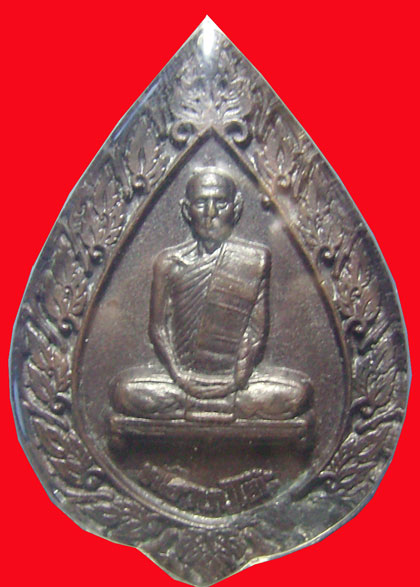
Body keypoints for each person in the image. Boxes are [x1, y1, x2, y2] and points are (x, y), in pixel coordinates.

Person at [111, 168, 312, 423]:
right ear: (186, 211)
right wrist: (180, 377)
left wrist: (235, 380)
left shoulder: (255, 260)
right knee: (124, 392)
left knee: (297, 395)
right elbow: (158, 329)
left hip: (235, 382)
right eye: (200, 203)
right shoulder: (169, 263)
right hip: (180, 381)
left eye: (220, 203)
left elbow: (255, 332)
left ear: (236, 208)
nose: (210, 213)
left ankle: (196, 407)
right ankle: (219, 407)